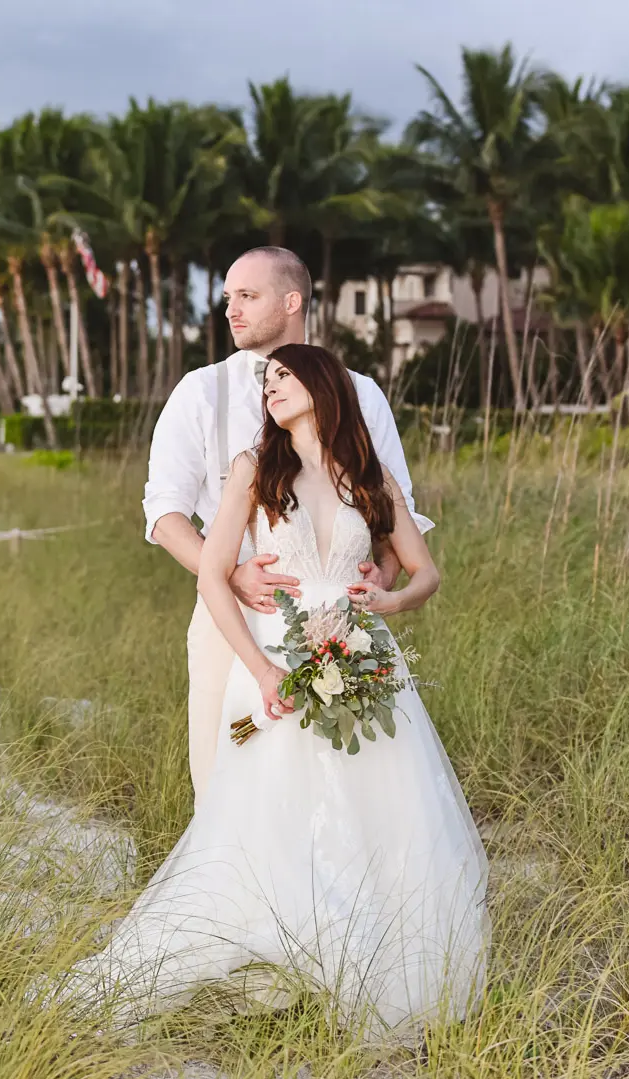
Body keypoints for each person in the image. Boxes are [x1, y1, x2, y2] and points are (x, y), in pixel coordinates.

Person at [55, 344, 487, 1039]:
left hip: (365, 658)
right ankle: (272, 964)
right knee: (268, 808)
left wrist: (390, 605)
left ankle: (361, 957)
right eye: (268, 380)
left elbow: (425, 572)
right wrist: (259, 670)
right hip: (275, 657)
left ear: (322, 385)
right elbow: (211, 576)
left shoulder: (368, 476)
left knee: (379, 806)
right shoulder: (253, 470)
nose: (272, 388)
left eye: (285, 376)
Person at [142, 247, 433, 807]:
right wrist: (227, 574)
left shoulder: (361, 392)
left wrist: (381, 581)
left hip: (340, 620)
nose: (231, 310)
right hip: (230, 619)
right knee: (225, 771)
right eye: (228, 298)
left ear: (292, 301)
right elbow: (164, 511)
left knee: (356, 784)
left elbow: (399, 511)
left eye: (247, 296)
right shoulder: (200, 391)